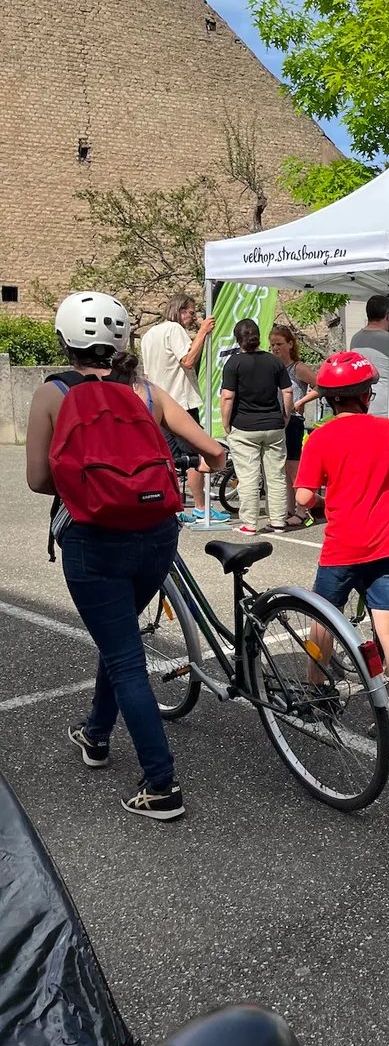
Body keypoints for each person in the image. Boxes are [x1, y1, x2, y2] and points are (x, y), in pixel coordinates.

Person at [25, 291, 225, 821]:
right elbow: (213, 451)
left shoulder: (53, 393)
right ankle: (95, 735)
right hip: (156, 534)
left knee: (125, 658)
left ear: (66, 341)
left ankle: (162, 785)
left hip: (93, 540)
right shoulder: (146, 391)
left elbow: (38, 480)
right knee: (119, 644)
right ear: (121, 341)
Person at [293, 353, 389, 749]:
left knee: (323, 619)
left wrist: (323, 500)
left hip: (342, 548)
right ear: (366, 396)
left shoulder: (319, 437)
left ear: (328, 398)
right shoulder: (386, 430)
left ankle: (317, 693)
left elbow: (303, 496)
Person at [140, 294, 226, 523]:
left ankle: (174, 506)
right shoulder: (175, 330)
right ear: (179, 310)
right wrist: (202, 333)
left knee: (168, 458)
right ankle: (199, 506)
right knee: (195, 456)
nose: (193, 317)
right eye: (191, 312)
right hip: (180, 403)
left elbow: (148, 373)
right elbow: (187, 360)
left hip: (157, 402)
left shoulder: (148, 335)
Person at [220, 320, 292, 536]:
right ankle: (279, 521)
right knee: (276, 475)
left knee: (249, 476)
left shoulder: (234, 364)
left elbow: (227, 396)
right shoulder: (274, 362)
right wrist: (285, 416)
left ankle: (250, 524)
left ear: (238, 339)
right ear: (259, 337)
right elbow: (287, 392)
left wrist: (226, 423)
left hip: (244, 427)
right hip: (273, 426)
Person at [268, 325, 318, 528]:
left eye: (279, 344)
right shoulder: (273, 367)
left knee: (293, 466)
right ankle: (289, 508)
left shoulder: (297, 367)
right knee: (282, 468)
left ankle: (302, 510)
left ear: (290, 344)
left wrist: (301, 401)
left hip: (294, 419)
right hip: (278, 420)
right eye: (272, 345)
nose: (275, 349)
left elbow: (320, 385)